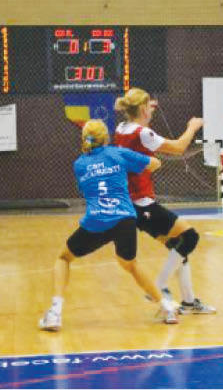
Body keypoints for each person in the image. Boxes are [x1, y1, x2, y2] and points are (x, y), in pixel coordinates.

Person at [39, 120, 176, 331]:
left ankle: (55, 314)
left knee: (63, 258)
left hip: (97, 221)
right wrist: (139, 157)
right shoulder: (119, 153)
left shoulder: (79, 164)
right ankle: (166, 308)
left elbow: (88, 188)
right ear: (106, 138)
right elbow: (154, 164)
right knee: (130, 264)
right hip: (124, 219)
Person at [113, 88, 216, 323]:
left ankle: (189, 301)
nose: (152, 110)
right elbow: (179, 147)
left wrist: (145, 107)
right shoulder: (142, 133)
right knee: (190, 238)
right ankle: (158, 286)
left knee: (177, 248)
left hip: (132, 204)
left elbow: (137, 122)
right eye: (149, 107)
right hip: (143, 204)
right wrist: (193, 126)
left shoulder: (121, 128)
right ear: (142, 109)